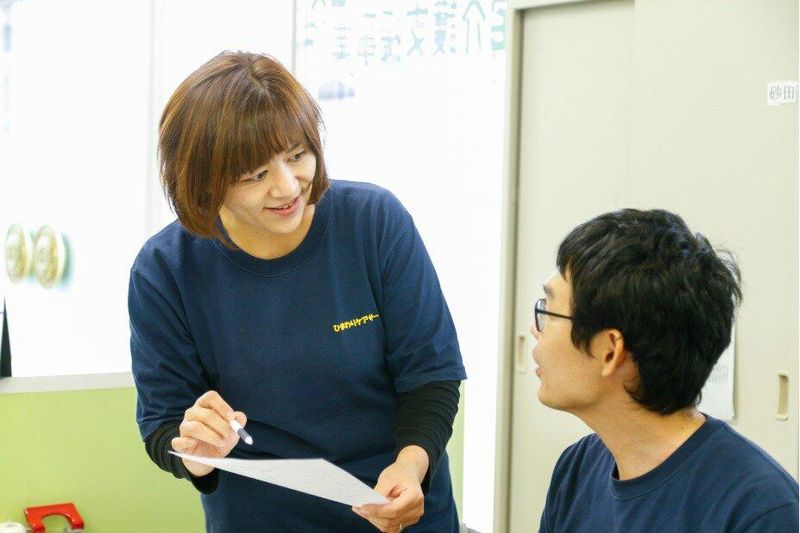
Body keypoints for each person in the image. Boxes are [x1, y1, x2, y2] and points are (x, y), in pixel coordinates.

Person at [129, 51, 466, 532]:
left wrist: (412, 466)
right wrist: (196, 453)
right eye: (255, 174)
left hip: (396, 509)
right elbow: (163, 423)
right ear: (205, 181)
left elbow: (430, 374)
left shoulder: (373, 222)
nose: (288, 187)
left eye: (296, 156)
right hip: (261, 519)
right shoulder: (166, 269)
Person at [532, 209, 798, 532]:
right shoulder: (575, 471)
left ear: (610, 350)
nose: (535, 330)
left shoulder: (760, 511)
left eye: (549, 311)